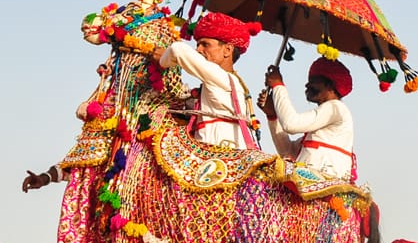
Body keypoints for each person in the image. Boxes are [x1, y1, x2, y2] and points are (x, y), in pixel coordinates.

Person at [153, 12, 261, 149]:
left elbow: (177, 49)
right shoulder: (227, 81)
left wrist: (162, 60)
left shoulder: (221, 77)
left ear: (227, 50)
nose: (198, 50)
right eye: (198, 45)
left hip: (217, 160)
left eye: (205, 45)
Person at [259, 58, 357, 181]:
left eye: (313, 81)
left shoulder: (336, 108)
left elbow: (291, 124)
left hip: (322, 187)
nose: (307, 85)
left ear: (330, 85)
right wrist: (272, 116)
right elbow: (287, 151)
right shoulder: (322, 126)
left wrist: (278, 86)